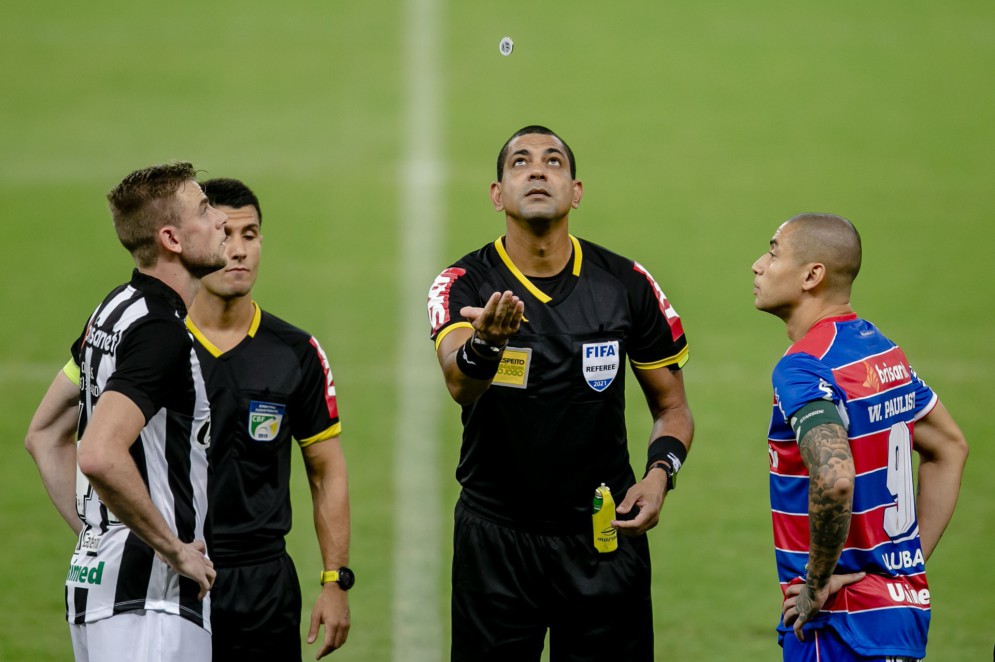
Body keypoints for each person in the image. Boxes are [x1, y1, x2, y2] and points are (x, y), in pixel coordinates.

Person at [427, 125, 694, 661]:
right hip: (496, 541)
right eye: (520, 162)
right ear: (497, 194)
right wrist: (486, 344)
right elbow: (460, 383)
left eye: (553, 161)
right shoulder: (463, 283)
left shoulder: (626, 283)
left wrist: (660, 476)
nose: (537, 170)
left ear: (576, 191)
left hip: (603, 535)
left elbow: (673, 408)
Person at [24, 162, 227, 661]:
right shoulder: (160, 334)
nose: (220, 219)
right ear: (172, 239)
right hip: (149, 606)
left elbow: (45, 432)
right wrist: (171, 547)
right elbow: (97, 453)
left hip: (97, 588)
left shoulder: (113, 310)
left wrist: (101, 534)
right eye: (204, 209)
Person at [752, 213, 969, 661]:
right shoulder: (883, 352)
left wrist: (814, 585)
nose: (758, 265)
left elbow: (835, 478)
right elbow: (950, 446)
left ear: (812, 275)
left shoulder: (804, 367)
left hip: (836, 627)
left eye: (773, 252)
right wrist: (899, 568)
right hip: (898, 619)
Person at [186, 178, 351, 660]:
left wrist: (335, 580)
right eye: (224, 234)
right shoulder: (159, 346)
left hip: (264, 584)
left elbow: (326, 470)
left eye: (250, 235)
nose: (238, 251)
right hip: (176, 573)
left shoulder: (295, 352)